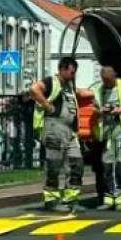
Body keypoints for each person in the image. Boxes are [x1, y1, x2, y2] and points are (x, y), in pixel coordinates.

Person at [31, 57, 85, 213]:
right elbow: (34, 89)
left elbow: (78, 95)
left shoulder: (69, 86)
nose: (73, 75)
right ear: (62, 69)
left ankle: (71, 199)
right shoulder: (51, 81)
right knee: (54, 165)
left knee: (76, 164)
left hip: (70, 131)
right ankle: (52, 201)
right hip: (54, 128)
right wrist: (47, 106)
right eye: (71, 71)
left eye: (74, 72)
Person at [92, 65, 121, 211]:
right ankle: (108, 198)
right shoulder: (99, 90)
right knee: (106, 165)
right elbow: (94, 107)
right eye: (104, 81)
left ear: (114, 76)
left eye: (108, 80)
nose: (106, 83)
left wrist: (119, 110)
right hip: (108, 133)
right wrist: (101, 110)